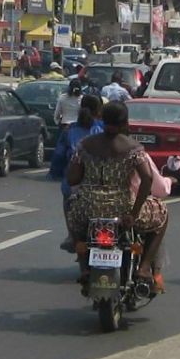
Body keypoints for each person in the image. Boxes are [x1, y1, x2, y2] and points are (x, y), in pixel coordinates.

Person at [67, 101, 170, 292]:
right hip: (122, 209)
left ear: (101, 118)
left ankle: (83, 266)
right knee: (162, 213)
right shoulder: (133, 148)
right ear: (125, 123)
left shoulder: (85, 145)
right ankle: (145, 267)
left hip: (87, 209)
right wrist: (134, 212)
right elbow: (147, 179)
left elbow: (72, 178)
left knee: (71, 209)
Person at [51, 94, 105, 251]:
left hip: (74, 182)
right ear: (99, 111)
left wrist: (55, 173)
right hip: (102, 182)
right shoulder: (104, 129)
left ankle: (71, 234)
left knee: (67, 196)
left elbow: (59, 156)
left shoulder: (70, 130)